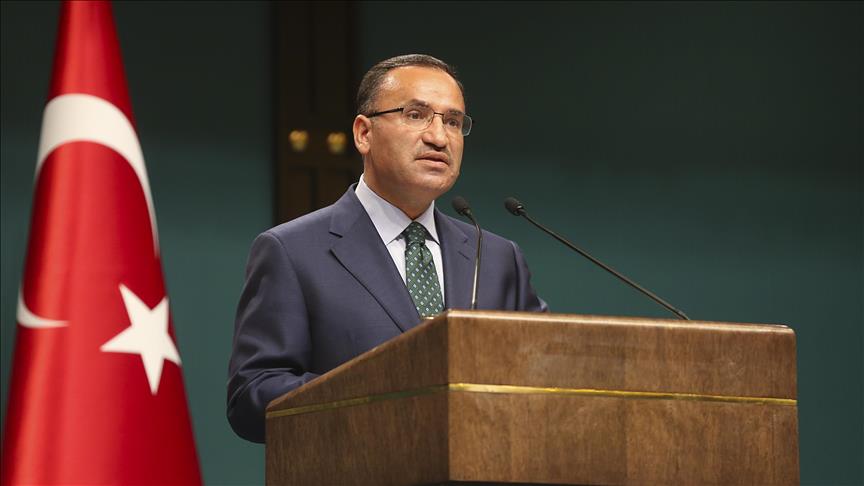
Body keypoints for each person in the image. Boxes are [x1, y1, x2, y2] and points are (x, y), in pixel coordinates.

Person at [227, 54, 547, 443]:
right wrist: (379, 395)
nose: (439, 137)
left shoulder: (496, 257)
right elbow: (252, 397)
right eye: (416, 115)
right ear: (364, 133)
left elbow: (544, 377)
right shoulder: (292, 252)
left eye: (452, 122)